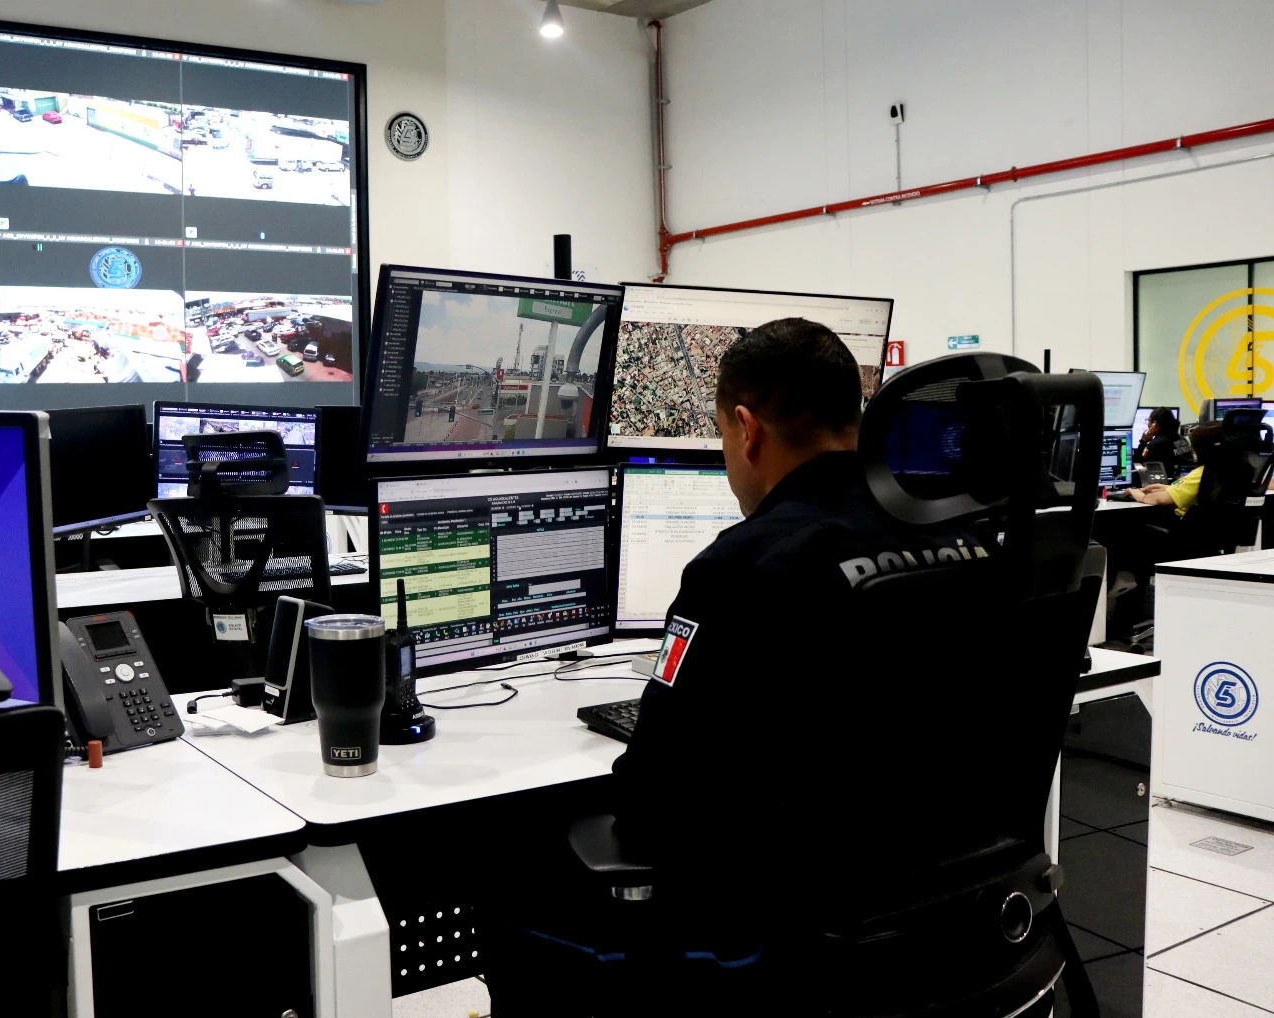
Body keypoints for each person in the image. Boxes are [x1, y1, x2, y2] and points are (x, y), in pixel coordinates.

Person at [482, 319, 1003, 1015]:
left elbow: (652, 795)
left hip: (783, 934)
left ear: (747, 429)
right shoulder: (965, 538)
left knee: (505, 876)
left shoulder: (743, 565)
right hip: (950, 919)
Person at [1126, 420, 1217, 515]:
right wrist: (1172, 488)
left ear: (1155, 424)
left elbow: (1159, 499)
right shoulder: (1181, 440)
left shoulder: (1201, 473)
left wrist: (1140, 496)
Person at [1135, 406, 1182, 477]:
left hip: (1159, 482)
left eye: (1149, 421)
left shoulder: (1154, 445)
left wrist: (1143, 442)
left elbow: (1138, 466)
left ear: (1154, 424)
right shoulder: (1181, 440)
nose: (1148, 424)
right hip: (1180, 481)